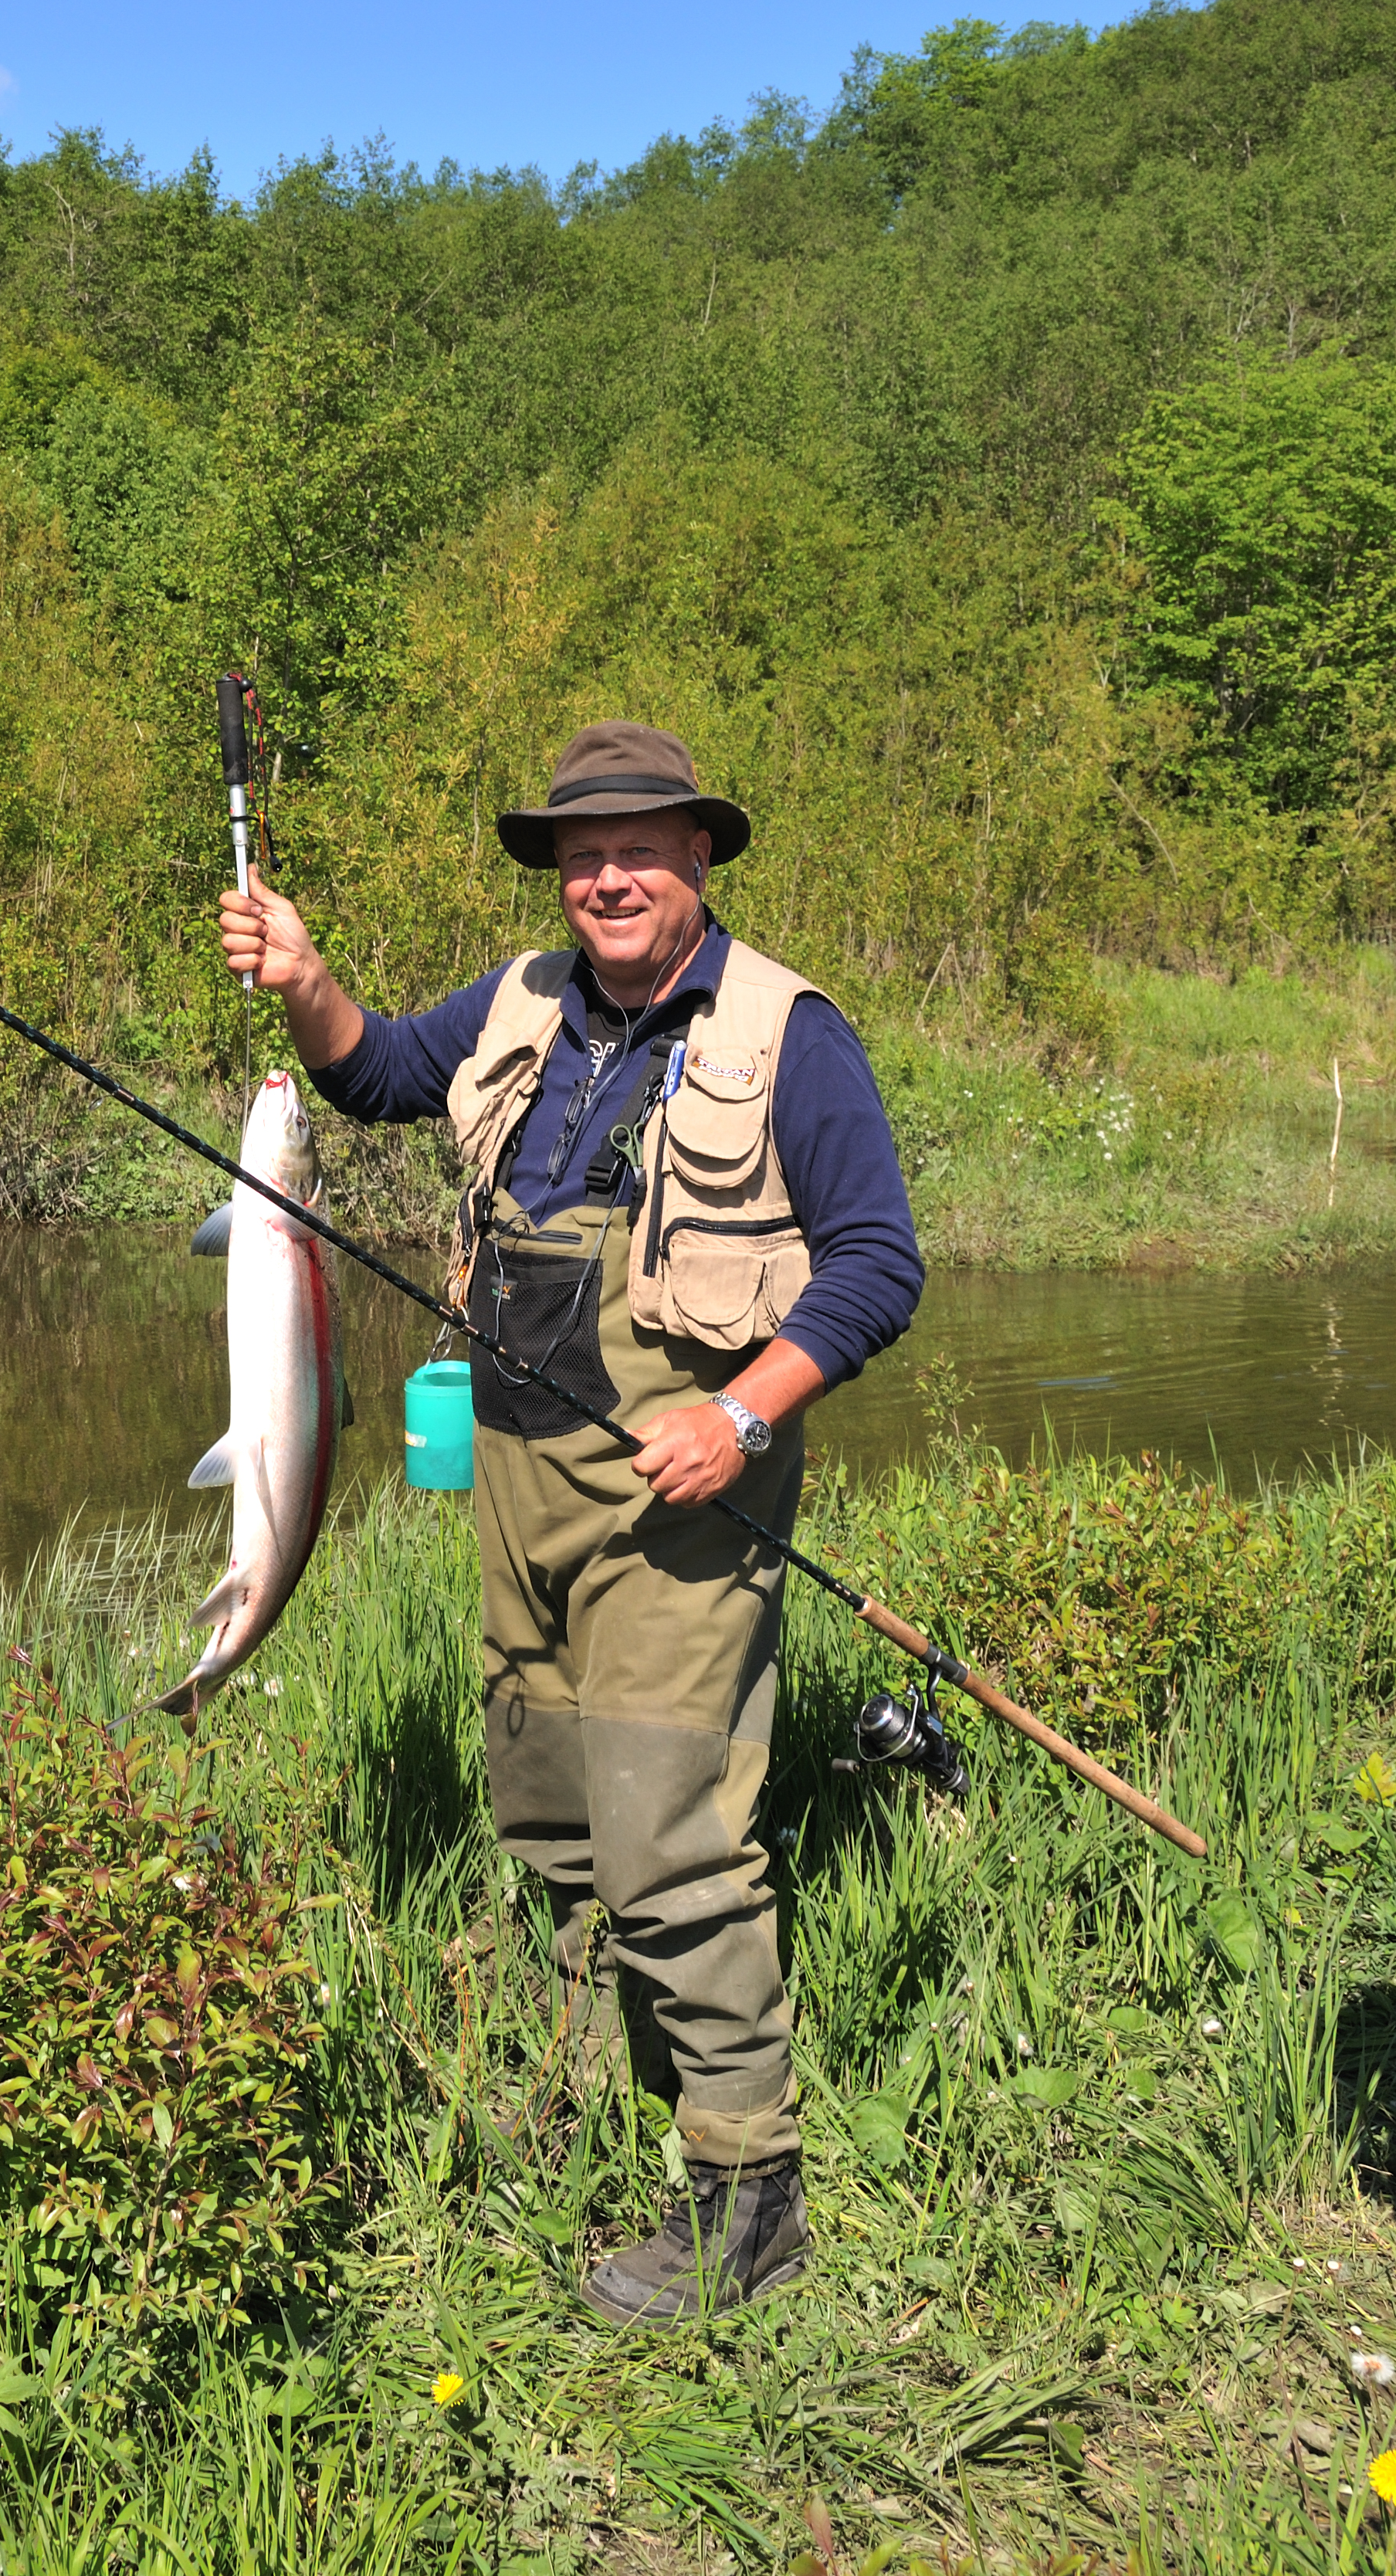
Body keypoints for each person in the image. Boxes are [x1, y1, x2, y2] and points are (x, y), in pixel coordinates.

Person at [218, 718, 923, 2325]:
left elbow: (878, 1265)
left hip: (680, 1506)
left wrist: (740, 1409)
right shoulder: (523, 999)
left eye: (638, 848)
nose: (604, 875)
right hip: (520, 1485)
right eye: (579, 853)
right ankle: (590, 2090)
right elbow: (379, 1074)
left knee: (670, 1837)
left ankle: (749, 2198)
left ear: (696, 861)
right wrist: (308, 978)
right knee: (547, 1810)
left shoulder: (787, 1033)